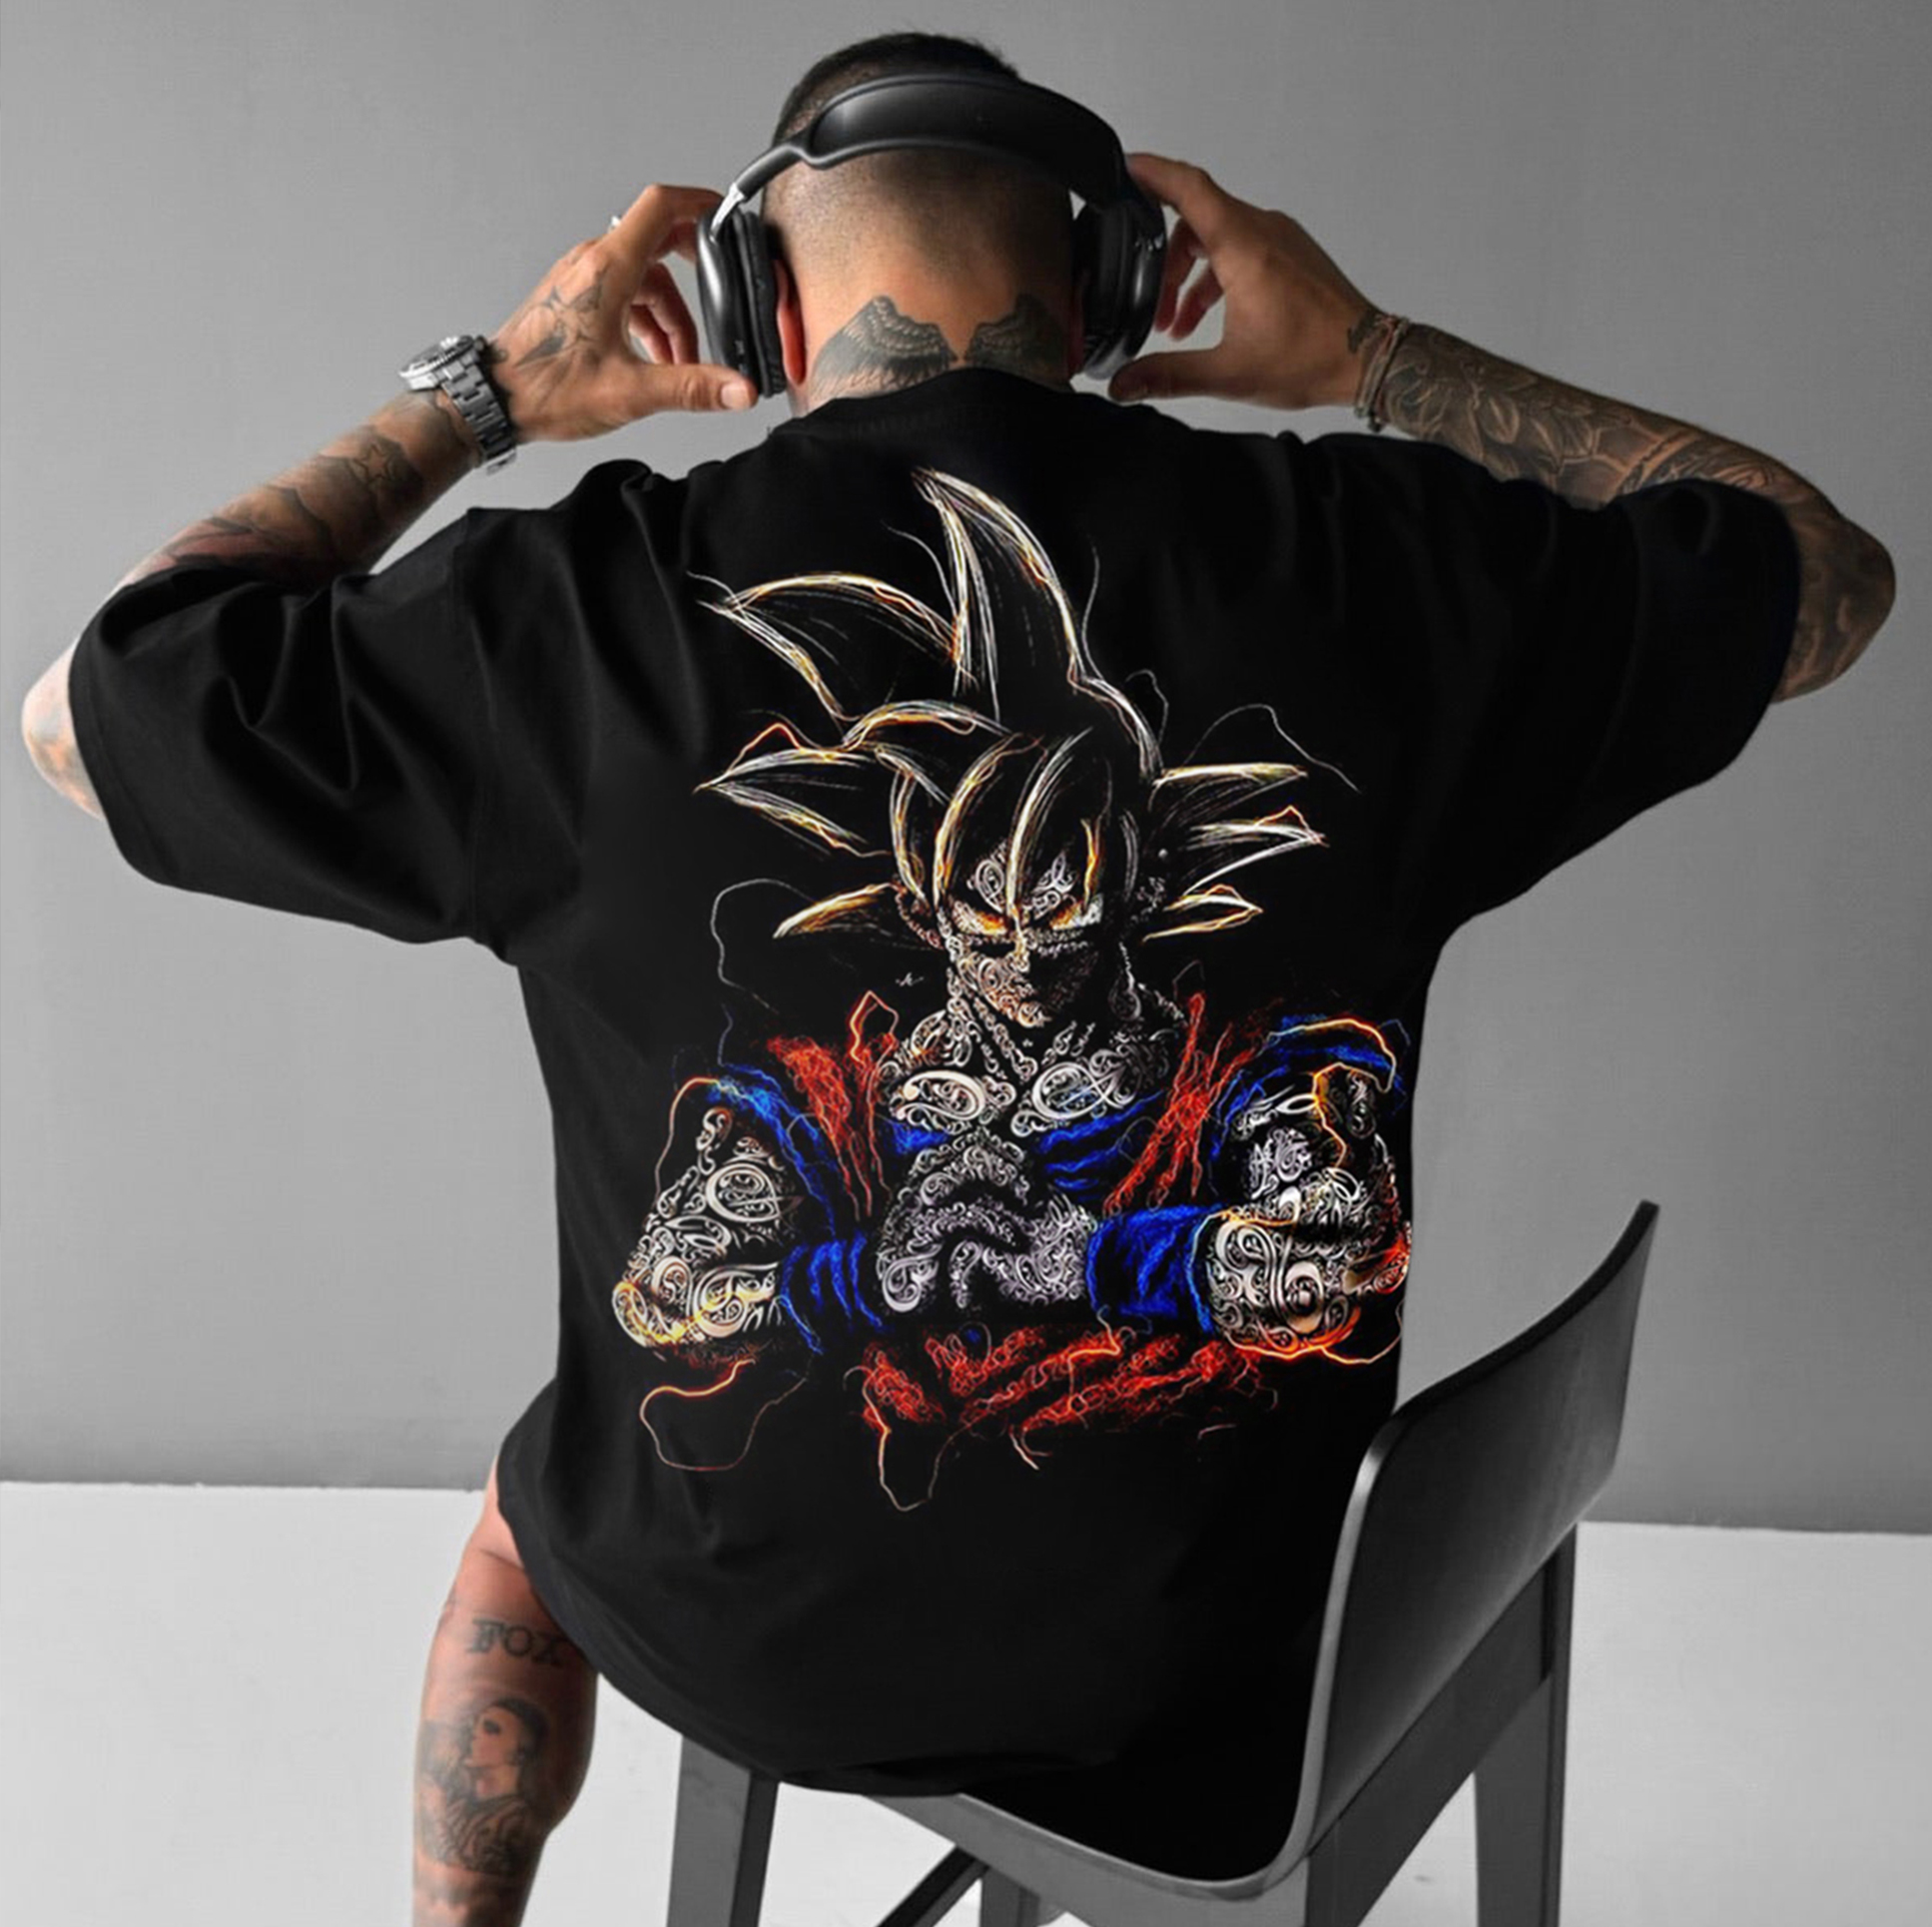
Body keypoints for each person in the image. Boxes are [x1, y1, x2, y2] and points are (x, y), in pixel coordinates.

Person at [18, 24, 1893, 1915]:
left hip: (767, 1634)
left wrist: (489, 394)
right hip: (1243, 1636)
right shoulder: (1363, 571)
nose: (1017, 950)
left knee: (529, 1516)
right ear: (1112, 293)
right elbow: (1818, 571)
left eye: (1061, 907)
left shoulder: (572, 623)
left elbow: (84, 719)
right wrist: (1374, 357)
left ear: (754, 305)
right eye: (977, 916)